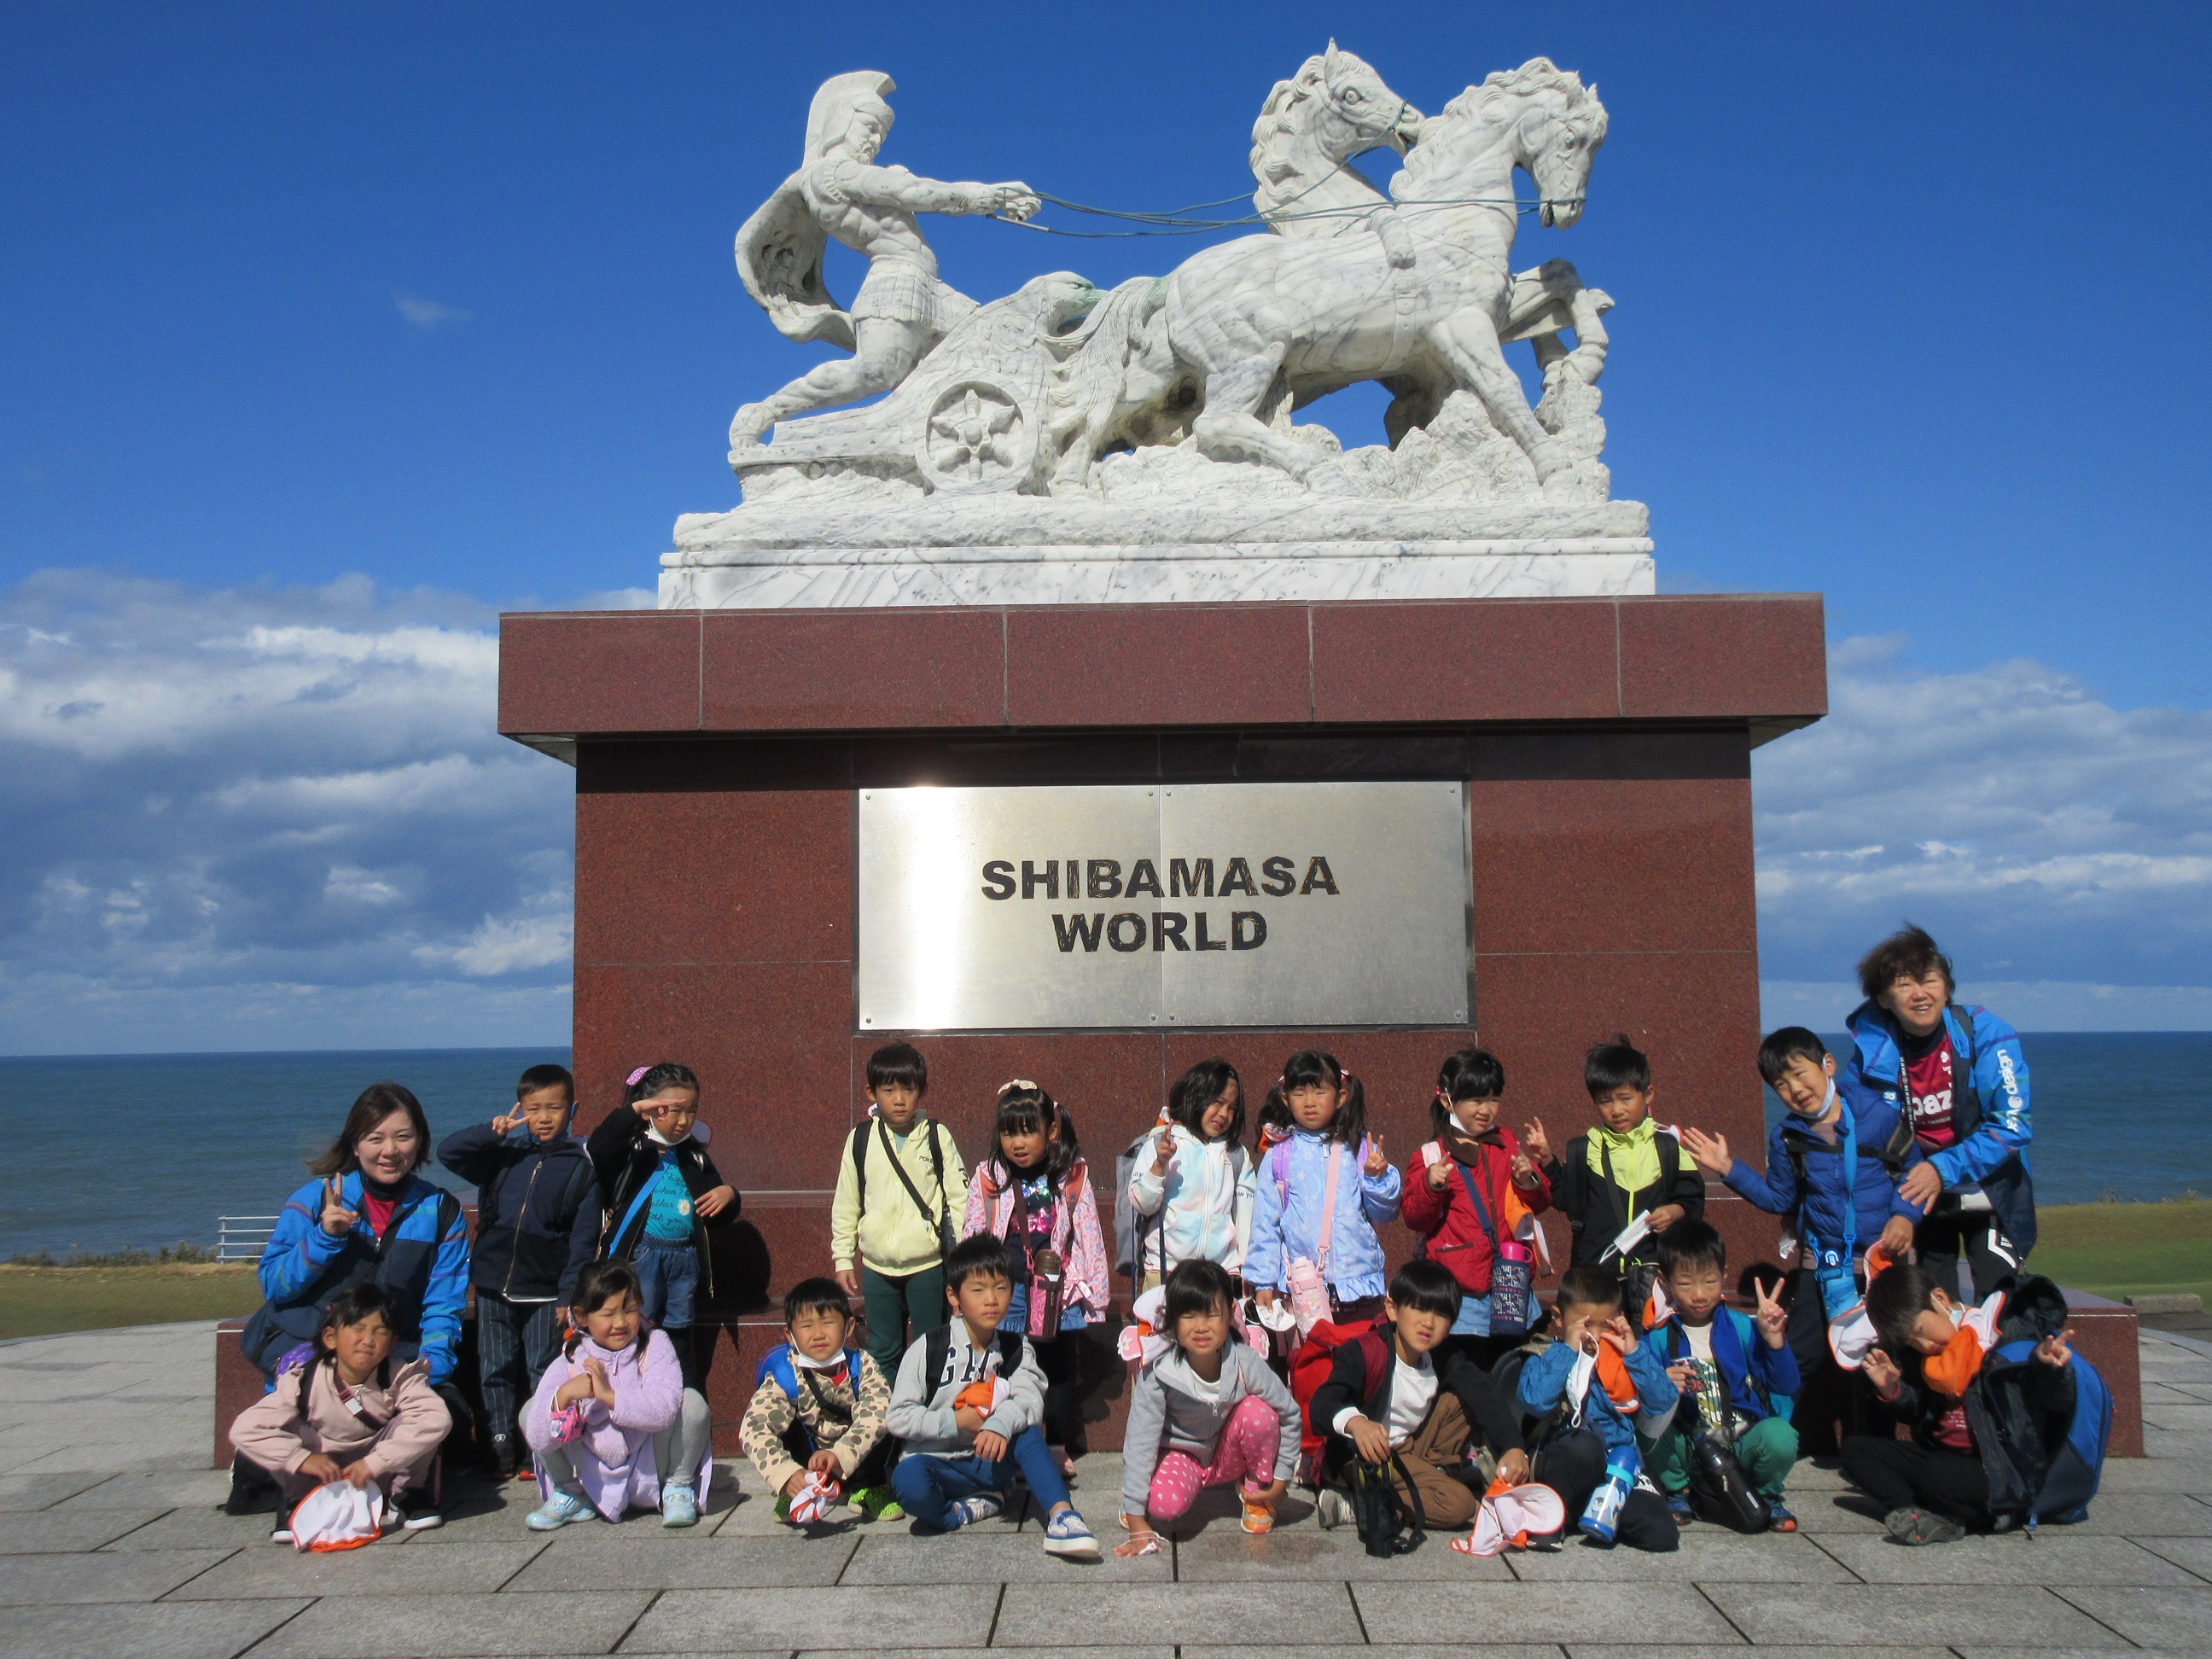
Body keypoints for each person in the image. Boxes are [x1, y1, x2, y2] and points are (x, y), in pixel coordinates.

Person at [1682, 1027, 1925, 1451]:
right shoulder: (1788, 1138)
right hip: (1822, 1268)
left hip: (1879, 1268)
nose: (1795, 1089)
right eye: (1781, 1085)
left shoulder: (1880, 1117)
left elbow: (1915, 1173)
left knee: (1877, 1358)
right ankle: (1775, 1440)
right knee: (1799, 1355)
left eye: (1800, 1073)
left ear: (1828, 1064)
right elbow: (1779, 1197)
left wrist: (1905, 1218)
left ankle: (1878, 1449)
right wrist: (1728, 1168)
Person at [1840, 925, 2035, 1301]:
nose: (1920, 994)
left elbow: (2014, 1125)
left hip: (1989, 1186)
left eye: (1929, 980)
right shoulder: (1870, 1051)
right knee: (1932, 1307)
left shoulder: (1988, 1033)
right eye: (1903, 985)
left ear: (1946, 988)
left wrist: (1941, 1169)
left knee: (2001, 1303)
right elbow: (1854, 1127)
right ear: (1883, 998)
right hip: (1920, 1194)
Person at [884, 1233, 1101, 1558]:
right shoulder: (928, 1348)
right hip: (937, 1463)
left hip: (991, 1460)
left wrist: (999, 1423)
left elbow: (1030, 1400)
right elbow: (898, 1417)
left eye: (1001, 1288)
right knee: (908, 1482)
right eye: (978, 1290)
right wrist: (954, 1421)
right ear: (954, 1297)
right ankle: (960, 1512)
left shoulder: (1015, 1347)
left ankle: (1063, 1517)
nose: (991, 1300)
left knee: (1026, 1433)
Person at [1841, 1261, 2087, 1544]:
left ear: (1940, 1299)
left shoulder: (1999, 1333)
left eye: (1920, 1329)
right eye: (1912, 1342)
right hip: (1944, 1458)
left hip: (1996, 1468)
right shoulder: (1930, 1358)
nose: (1924, 1344)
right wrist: (1892, 1389)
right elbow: (1918, 1410)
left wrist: (2048, 1368)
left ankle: (1989, 1516)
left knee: (1938, 1477)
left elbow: (2054, 1402)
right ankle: (1927, 1515)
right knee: (1856, 1451)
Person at [247, 1083, 470, 1392]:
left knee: (446, 1418)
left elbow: (443, 1305)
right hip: (306, 1374)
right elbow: (274, 1284)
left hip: (394, 1374)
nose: (389, 1151)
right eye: (375, 1138)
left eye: (403, 1137)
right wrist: (324, 1238)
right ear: (355, 1145)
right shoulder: (314, 1200)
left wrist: (428, 1371)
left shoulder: (441, 1212)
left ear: (420, 1141)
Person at [436, 1062, 600, 1479]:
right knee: (494, 1366)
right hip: (493, 1282)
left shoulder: (583, 1167)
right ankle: (498, 1441)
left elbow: (582, 1241)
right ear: (520, 1108)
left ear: (573, 1110)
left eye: (554, 1108)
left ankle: (539, 1442)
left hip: (546, 1289)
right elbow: (448, 1152)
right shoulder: (502, 1156)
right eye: (533, 1108)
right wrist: (491, 1132)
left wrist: (569, 1294)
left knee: (543, 1369)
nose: (543, 1118)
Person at [1310, 1259, 1536, 1534]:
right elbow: (1322, 1405)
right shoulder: (1366, 1352)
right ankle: (1362, 1505)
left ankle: (1417, 1484)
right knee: (1461, 1505)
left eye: (1441, 1315)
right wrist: (1357, 1424)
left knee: (1462, 1398)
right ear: (1393, 1309)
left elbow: (1486, 1393)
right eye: (1418, 1308)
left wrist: (1513, 1448)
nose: (1428, 1323)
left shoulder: (1443, 1357)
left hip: (1409, 1447)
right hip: (1367, 1458)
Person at [962, 1080, 1109, 1470]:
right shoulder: (989, 1176)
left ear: (1052, 1131)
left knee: (1057, 1366)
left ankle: (1057, 1444)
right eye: (1010, 1132)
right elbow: (973, 1230)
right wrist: (970, 1289)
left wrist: (1097, 1296)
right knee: (1006, 1363)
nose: (1018, 1143)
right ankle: (1014, 1441)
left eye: (1028, 1131)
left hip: (1056, 1289)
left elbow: (1089, 1232)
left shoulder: (1070, 1174)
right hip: (1005, 1289)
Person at [230, 1284, 452, 1541]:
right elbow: (244, 1429)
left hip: (381, 1473)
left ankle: (407, 1495)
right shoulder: (303, 1381)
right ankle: (298, 1500)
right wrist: (300, 1459)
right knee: (288, 1425)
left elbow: (437, 1419)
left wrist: (375, 1463)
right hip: (319, 1475)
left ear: (392, 1343)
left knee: (421, 1417)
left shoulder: (400, 1376)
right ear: (330, 1337)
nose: (368, 1340)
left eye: (380, 1332)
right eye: (357, 1329)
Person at [1115, 1260, 1300, 1556]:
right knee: (1163, 1504)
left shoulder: (1244, 1361)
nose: (1201, 1327)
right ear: (1173, 1320)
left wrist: (1280, 1478)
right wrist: (1137, 1515)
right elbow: (1140, 1442)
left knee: (1259, 1415)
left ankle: (1255, 1493)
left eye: (1212, 1314)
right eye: (1188, 1316)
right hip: (1181, 1456)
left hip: (1228, 1455)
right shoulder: (1160, 1374)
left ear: (1229, 1312)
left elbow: (1290, 1414)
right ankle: (1144, 1496)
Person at [521, 1259, 713, 1529]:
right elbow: (539, 1439)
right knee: (531, 1411)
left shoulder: (655, 1345)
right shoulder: (572, 1358)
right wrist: (563, 1396)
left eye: (630, 1310)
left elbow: (665, 1409)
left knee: (692, 1404)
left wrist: (610, 1396)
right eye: (608, 1314)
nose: (621, 1322)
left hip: (649, 1467)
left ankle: (677, 1487)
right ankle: (570, 1491)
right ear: (583, 1316)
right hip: (590, 1472)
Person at [1639, 1219, 1802, 1529]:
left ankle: (1765, 1494)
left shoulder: (1742, 1327)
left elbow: (1785, 1384)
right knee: (1649, 1428)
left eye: (1710, 1281)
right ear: (1665, 1282)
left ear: (1725, 1274)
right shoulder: (1657, 1336)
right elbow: (1639, 1393)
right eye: (1686, 1284)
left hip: (1739, 1443)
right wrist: (1661, 1384)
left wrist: (1774, 1341)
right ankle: (1679, 1490)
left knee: (1781, 1436)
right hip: (1688, 1446)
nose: (1699, 1294)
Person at [586, 1062, 738, 1391]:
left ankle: (681, 1397)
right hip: (640, 1258)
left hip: (683, 1259)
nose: (683, 1120)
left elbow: (716, 1212)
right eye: (671, 1110)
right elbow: (599, 1145)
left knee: (679, 1333)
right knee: (634, 1329)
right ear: (650, 1108)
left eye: (692, 1111)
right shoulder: (632, 1149)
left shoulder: (695, 1157)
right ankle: (630, 1395)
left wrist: (729, 1195)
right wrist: (634, 1111)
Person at [1515, 1263, 1681, 1551]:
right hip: (1566, 1463)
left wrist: (1633, 1352)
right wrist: (1568, 1349)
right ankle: (1551, 1517)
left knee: (1661, 1534)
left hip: (1617, 1469)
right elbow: (1535, 1400)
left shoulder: (1625, 1357)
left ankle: (1595, 1514)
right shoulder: (1547, 1354)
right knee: (1583, 1447)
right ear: (1559, 1317)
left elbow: (1664, 1400)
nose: (1593, 1336)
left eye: (1604, 1326)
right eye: (1584, 1324)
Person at [1400, 1047, 1550, 1365]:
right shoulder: (1429, 1155)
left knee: (1509, 1369)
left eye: (1493, 1099)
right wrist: (1432, 1185)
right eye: (1475, 1100)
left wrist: (1529, 1178)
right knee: (1464, 1373)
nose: (1486, 1110)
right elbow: (1414, 1217)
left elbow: (1540, 1202)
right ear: (1447, 1101)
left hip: (1508, 1280)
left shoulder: (1506, 1141)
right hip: (1460, 1290)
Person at [831, 1041, 967, 1387]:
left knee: (931, 1349)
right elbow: (847, 1201)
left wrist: (963, 1263)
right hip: (877, 1268)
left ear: (922, 1091)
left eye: (908, 1089)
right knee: (883, 1353)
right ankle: (888, 1430)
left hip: (927, 1266)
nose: (900, 1099)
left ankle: (927, 1425)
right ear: (871, 1092)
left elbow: (961, 1200)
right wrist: (844, 1258)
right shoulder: (860, 1139)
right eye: (888, 1090)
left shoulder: (936, 1136)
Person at [1526, 1035, 1703, 1295]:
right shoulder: (1585, 1149)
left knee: (1651, 1338)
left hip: (1654, 1278)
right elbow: (1565, 1200)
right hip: (1597, 1278)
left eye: (1625, 1098)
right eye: (1606, 1101)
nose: (1617, 1110)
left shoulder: (1668, 1149)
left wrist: (1675, 1212)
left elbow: (1693, 1199)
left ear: (1648, 1095)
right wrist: (1548, 1160)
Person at [1245, 1051, 1402, 1328]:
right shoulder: (1280, 1156)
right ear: (1285, 1098)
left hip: (1359, 1286)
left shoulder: (1360, 1149)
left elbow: (1385, 1214)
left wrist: (1377, 1178)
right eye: (1299, 1093)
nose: (1309, 1103)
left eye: (1319, 1092)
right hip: (1304, 1289)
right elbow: (1265, 1225)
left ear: (1340, 1097)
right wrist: (1263, 1282)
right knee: (1314, 1367)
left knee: (1362, 1364)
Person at [739, 1276, 899, 1523]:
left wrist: (840, 1455)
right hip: (808, 1460)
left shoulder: (861, 1364)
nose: (818, 1334)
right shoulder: (785, 1374)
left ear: (849, 1326)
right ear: (790, 1335)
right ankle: (793, 1490)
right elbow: (752, 1428)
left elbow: (878, 1411)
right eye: (806, 1326)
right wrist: (786, 1473)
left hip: (853, 1456)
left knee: (884, 1413)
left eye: (828, 1323)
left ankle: (870, 1488)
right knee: (781, 1420)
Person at [1125, 1058, 1254, 1289]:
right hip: (1166, 1272)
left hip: (1220, 1275)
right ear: (1195, 1097)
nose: (1224, 1114)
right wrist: (1159, 1165)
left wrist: (1248, 1271)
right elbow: (1143, 1205)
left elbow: (1247, 1218)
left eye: (1232, 1108)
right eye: (1218, 1102)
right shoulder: (1160, 1144)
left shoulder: (1236, 1155)